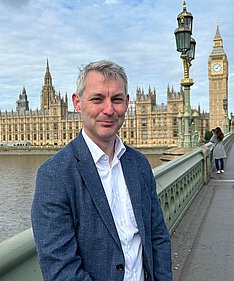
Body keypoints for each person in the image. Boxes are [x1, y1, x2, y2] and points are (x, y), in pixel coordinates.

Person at [31, 60, 172, 281]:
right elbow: (61, 269)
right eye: (97, 99)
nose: (109, 110)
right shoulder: (54, 175)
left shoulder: (140, 165)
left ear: (126, 103)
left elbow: (158, 237)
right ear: (77, 103)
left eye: (116, 99)